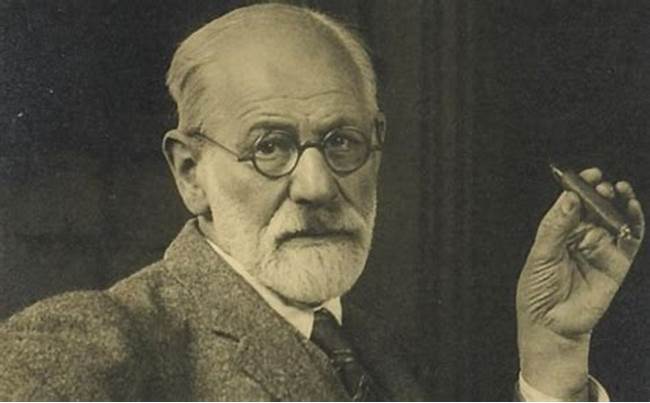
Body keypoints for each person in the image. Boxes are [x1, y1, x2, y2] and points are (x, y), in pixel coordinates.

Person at [0, 3, 644, 401]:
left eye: (341, 142)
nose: (316, 186)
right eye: (269, 147)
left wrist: (553, 354)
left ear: (377, 145)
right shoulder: (97, 346)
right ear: (191, 173)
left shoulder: (381, 355)